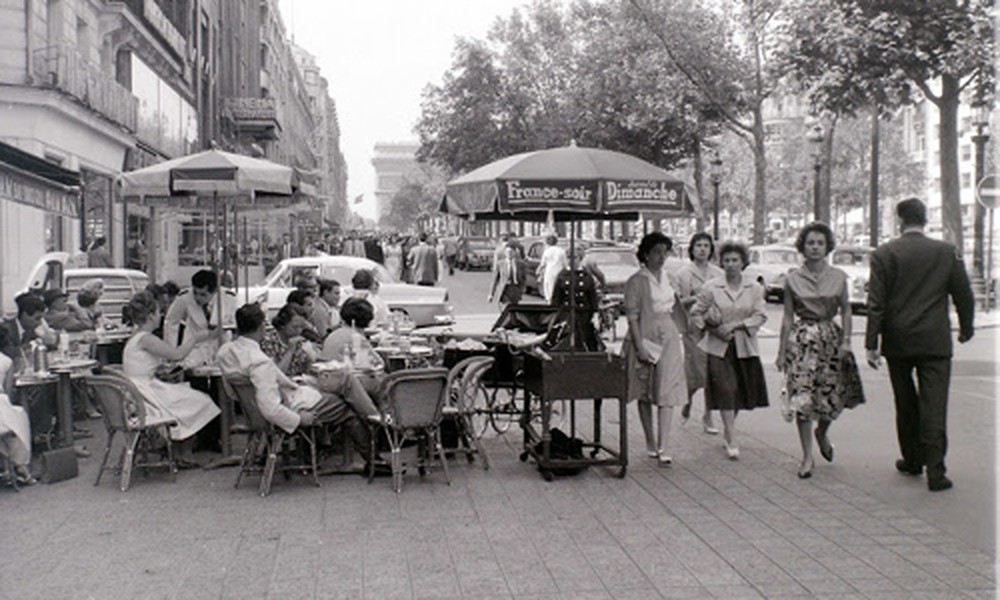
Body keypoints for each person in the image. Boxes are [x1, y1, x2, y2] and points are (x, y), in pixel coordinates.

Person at [865, 198, 975, 492]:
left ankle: (912, 458)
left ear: (900, 220)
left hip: (898, 340)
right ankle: (936, 471)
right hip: (935, 340)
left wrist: (871, 342)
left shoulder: (884, 254)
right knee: (934, 404)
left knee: (906, 401)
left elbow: (876, 302)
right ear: (925, 219)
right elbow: (963, 294)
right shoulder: (946, 252)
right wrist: (966, 327)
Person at [218, 304, 381, 469]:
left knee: (344, 386)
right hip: (290, 406)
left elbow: (233, 391)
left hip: (263, 409)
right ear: (261, 327)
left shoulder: (226, 352)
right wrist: (298, 420)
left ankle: (374, 440)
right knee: (347, 406)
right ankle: (375, 450)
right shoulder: (259, 361)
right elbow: (270, 407)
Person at [777, 223, 861, 479]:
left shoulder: (838, 276)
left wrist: (846, 340)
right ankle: (806, 456)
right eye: (810, 243)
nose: (814, 248)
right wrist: (782, 351)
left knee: (832, 397)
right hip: (802, 341)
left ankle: (822, 432)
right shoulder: (792, 279)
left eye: (820, 243)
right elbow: (788, 317)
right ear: (802, 247)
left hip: (830, 339)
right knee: (803, 399)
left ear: (827, 247)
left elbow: (846, 309)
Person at [121, 292, 221, 467]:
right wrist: (195, 338)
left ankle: (179, 450)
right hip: (145, 392)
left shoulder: (136, 337)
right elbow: (177, 355)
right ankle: (183, 453)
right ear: (151, 315)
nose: (161, 316)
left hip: (138, 388)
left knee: (186, 397)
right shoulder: (147, 338)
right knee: (198, 400)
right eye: (159, 312)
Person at [690, 241, 769, 460]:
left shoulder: (754, 287)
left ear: (743, 262)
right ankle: (732, 436)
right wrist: (710, 324)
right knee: (726, 388)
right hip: (718, 347)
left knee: (739, 390)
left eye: (735, 260)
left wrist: (737, 325)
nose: (731, 264)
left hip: (744, 345)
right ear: (721, 262)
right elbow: (696, 313)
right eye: (727, 260)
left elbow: (760, 315)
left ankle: (729, 426)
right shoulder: (711, 287)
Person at [623, 233, 687, 466]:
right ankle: (650, 441)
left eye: (665, 252)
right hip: (645, 334)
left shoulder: (668, 278)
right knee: (646, 388)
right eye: (657, 252)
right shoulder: (637, 281)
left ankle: (665, 445)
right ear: (646, 254)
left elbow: (675, 306)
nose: (661, 257)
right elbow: (632, 316)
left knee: (667, 387)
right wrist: (639, 345)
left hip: (667, 333)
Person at [674, 233, 724, 434]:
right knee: (695, 373)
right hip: (693, 329)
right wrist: (696, 298)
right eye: (698, 246)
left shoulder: (718, 273)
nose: (702, 249)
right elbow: (676, 302)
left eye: (706, 246)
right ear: (692, 249)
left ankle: (708, 415)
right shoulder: (683, 274)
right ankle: (687, 400)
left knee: (713, 373)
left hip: (714, 329)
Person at [163, 270, 229, 368]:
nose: (197, 297)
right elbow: (171, 323)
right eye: (195, 293)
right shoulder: (185, 297)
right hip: (194, 350)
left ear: (215, 291)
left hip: (220, 349)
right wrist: (171, 353)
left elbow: (234, 326)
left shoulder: (228, 297)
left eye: (203, 294)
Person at [320, 298, 386, 396]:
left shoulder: (334, 334)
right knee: (387, 382)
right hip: (348, 381)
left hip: (328, 377)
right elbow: (378, 363)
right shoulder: (357, 338)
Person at [0, 341, 35, 485]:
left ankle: (7, 465)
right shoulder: (6, 361)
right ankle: (20, 465)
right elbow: (9, 392)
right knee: (18, 418)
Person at [260, 305, 319, 377]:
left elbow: (305, 371)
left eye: (302, 327)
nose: (299, 331)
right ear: (282, 324)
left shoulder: (300, 341)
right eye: (295, 327)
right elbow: (274, 375)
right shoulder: (268, 341)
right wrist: (290, 351)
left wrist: (310, 359)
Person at [537, 235, 569, 304]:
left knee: (548, 286)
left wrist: (538, 270)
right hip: (559, 271)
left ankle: (549, 300)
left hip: (549, 271)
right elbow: (565, 263)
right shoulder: (561, 251)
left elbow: (542, 264)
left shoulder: (547, 251)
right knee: (557, 286)